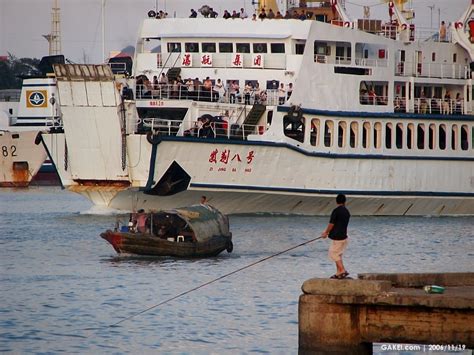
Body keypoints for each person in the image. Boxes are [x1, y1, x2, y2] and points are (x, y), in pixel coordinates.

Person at [321, 194, 350, 279]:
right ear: (345, 201)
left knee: (333, 253)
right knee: (338, 254)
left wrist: (325, 232)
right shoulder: (347, 212)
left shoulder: (336, 211)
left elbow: (331, 224)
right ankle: (338, 273)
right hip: (344, 237)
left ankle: (342, 270)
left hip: (338, 237)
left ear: (336, 201)